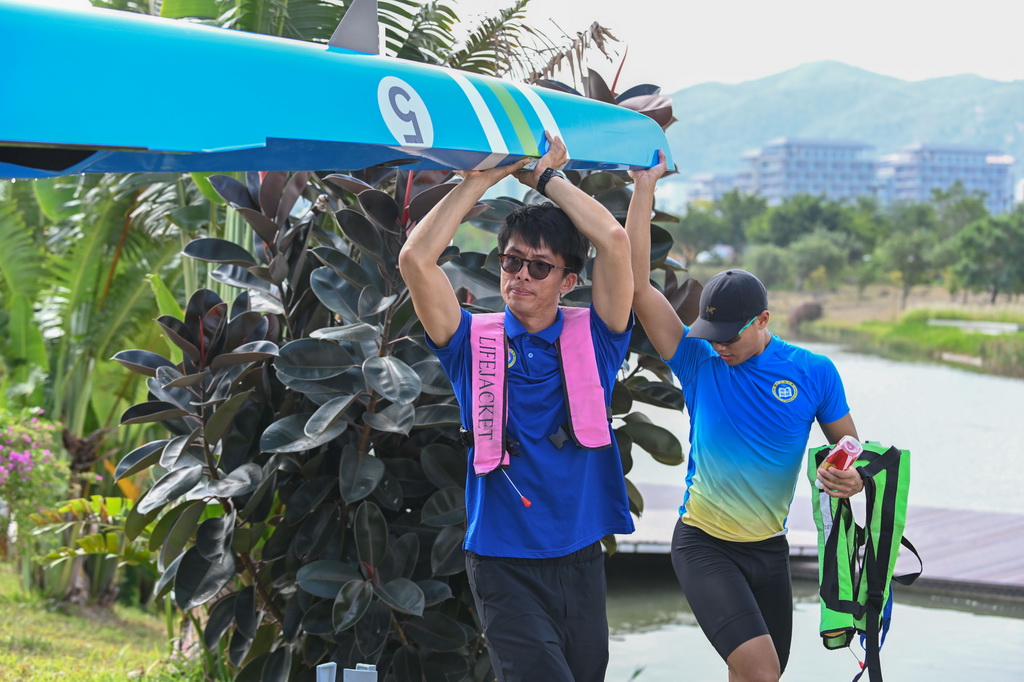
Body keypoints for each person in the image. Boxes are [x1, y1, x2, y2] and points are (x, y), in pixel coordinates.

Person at [398, 133, 636, 682]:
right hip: (502, 561)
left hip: (580, 557)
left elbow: (614, 240)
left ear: (569, 281)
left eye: (539, 267)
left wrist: (544, 178)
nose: (521, 275)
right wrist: (481, 180)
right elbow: (415, 258)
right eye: (511, 261)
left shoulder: (598, 340)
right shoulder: (469, 342)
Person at [626, 151, 863, 682]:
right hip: (703, 543)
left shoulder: (813, 372)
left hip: (769, 550)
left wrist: (849, 477)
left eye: (730, 336)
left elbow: (851, 449)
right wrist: (644, 188)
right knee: (759, 668)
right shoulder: (696, 359)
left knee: (759, 675)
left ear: (763, 320)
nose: (720, 346)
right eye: (712, 335)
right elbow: (639, 286)